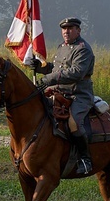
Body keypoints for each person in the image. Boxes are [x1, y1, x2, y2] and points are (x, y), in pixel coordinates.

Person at [34, 17, 95, 174]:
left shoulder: (83, 49)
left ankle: (85, 159)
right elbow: (56, 69)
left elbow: (76, 73)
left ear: (78, 31)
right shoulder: (62, 47)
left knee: (73, 123)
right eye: (64, 29)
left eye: (70, 28)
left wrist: (48, 79)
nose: (66, 31)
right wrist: (41, 68)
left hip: (78, 94)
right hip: (60, 92)